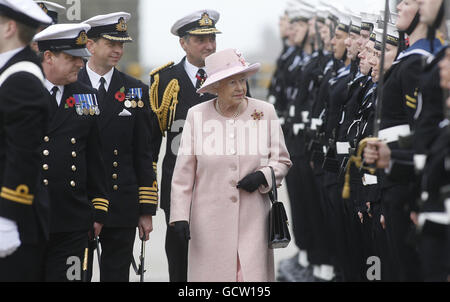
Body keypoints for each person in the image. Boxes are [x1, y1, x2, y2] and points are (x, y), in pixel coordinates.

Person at [169, 48, 292, 282]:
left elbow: (282, 161)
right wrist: (179, 217)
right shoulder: (197, 116)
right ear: (216, 86)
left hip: (253, 220)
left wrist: (264, 176)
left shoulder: (264, 112)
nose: (240, 88)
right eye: (232, 82)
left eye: (242, 81)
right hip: (208, 225)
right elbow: (183, 176)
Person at [78, 12, 157, 282]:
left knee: (116, 276)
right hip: (81, 202)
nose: (118, 50)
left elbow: (143, 153)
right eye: (111, 43)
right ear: (90, 45)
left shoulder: (135, 90)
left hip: (121, 202)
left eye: (121, 44)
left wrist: (146, 210)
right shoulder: (71, 86)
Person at [33, 23, 110, 282]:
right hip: (29, 216)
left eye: (81, 59)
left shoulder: (86, 97)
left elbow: (95, 157)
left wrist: (98, 210)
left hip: (72, 219)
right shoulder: (21, 92)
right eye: (72, 58)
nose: (80, 64)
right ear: (48, 57)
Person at [149, 9, 221, 282]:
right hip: (178, 179)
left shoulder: (228, 73)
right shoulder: (165, 80)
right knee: (179, 249)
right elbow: (152, 140)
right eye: (201, 39)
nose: (210, 45)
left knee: (217, 250)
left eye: (212, 38)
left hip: (219, 180)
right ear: (183, 43)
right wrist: (149, 191)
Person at [0, 0, 52, 281]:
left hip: (15, 223)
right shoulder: (10, 71)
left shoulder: (21, 78)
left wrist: (7, 218)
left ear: (9, 28)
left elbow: (24, 153)